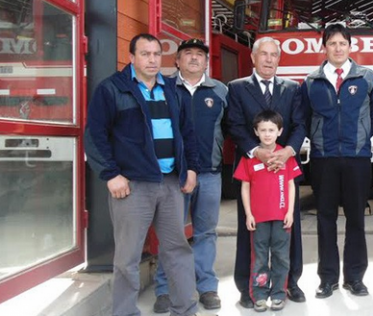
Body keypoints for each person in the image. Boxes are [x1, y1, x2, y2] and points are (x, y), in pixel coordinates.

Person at [84, 33, 210, 316]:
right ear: (131, 57)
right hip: (132, 186)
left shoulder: (171, 90)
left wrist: (191, 168)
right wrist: (111, 174)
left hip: (169, 183)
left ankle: (185, 310)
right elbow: (95, 136)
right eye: (145, 54)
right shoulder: (113, 89)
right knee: (127, 257)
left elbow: (188, 134)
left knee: (177, 250)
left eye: (156, 54)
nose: (152, 60)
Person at [300, 23, 373, 299]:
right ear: (324, 47)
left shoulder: (367, 78)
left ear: (350, 46)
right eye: (332, 43)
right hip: (323, 159)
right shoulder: (311, 81)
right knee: (325, 219)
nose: (337, 48)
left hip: (356, 158)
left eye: (342, 43)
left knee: (356, 219)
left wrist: (358, 138)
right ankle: (328, 279)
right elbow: (305, 117)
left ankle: (355, 277)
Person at [225, 37, 307, 307]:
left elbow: (299, 124)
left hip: (283, 171)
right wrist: (255, 150)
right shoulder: (237, 88)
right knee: (250, 230)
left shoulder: (293, 89)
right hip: (253, 171)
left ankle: (290, 283)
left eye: (274, 55)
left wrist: (288, 151)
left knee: (288, 225)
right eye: (264, 55)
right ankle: (248, 287)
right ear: (253, 57)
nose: (269, 60)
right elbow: (234, 125)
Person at [152, 38, 227, 313]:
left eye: (199, 55)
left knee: (206, 232)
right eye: (188, 54)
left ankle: (206, 286)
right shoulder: (164, 88)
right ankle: (164, 289)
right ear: (177, 60)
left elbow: (228, 128)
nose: (194, 58)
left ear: (207, 62)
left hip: (209, 173)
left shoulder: (219, 90)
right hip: (173, 175)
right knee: (171, 234)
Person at [233, 110, 302, 312]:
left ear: (280, 131)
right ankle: (260, 294)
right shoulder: (249, 158)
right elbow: (244, 187)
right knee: (260, 257)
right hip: (259, 219)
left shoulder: (285, 156)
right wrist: (249, 214)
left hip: (281, 218)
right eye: (263, 130)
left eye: (272, 130)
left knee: (281, 256)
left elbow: (291, 185)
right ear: (256, 132)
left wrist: (289, 212)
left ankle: (279, 294)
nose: (267, 134)